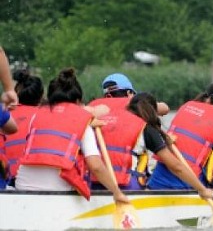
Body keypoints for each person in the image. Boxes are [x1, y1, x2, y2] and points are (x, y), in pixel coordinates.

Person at [14, 68, 129, 205]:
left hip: (22, 184)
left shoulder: (36, 115)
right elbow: (96, 166)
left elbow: (60, 120)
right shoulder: (83, 120)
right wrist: (116, 192)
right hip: (57, 187)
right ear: (78, 100)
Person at [126, 92, 213, 198]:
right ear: (154, 111)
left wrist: (164, 141)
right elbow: (176, 167)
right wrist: (202, 189)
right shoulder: (147, 130)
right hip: (128, 186)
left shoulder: (120, 121)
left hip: (107, 182)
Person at [2, 69, 43, 186]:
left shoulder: (5, 114)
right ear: (40, 97)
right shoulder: (43, 116)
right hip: (30, 181)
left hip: (5, 179)